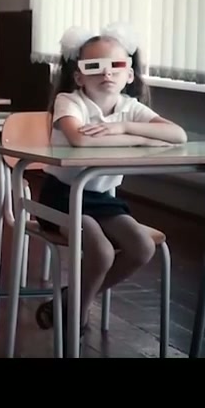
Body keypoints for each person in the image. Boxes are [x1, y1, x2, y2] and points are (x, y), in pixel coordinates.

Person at [37, 23, 186, 351]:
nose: (107, 73)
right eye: (95, 66)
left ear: (129, 74)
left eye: (116, 65)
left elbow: (178, 135)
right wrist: (142, 139)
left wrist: (124, 128)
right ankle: (76, 316)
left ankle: (70, 299)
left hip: (102, 200)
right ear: (79, 76)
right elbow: (79, 140)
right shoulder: (69, 100)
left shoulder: (130, 108)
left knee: (142, 248)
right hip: (61, 198)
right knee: (101, 251)